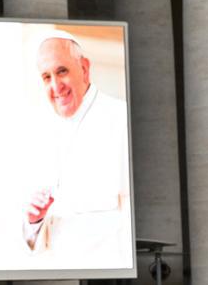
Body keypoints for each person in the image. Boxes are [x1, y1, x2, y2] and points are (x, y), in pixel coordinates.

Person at [24, 32, 132, 268]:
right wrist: (35, 220)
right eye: (46, 77)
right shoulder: (40, 130)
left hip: (105, 272)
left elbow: (131, 217)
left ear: (84, 68)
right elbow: (37, 236)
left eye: (62, 71)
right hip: (55, 276)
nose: (55, 86)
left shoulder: (122, 119)